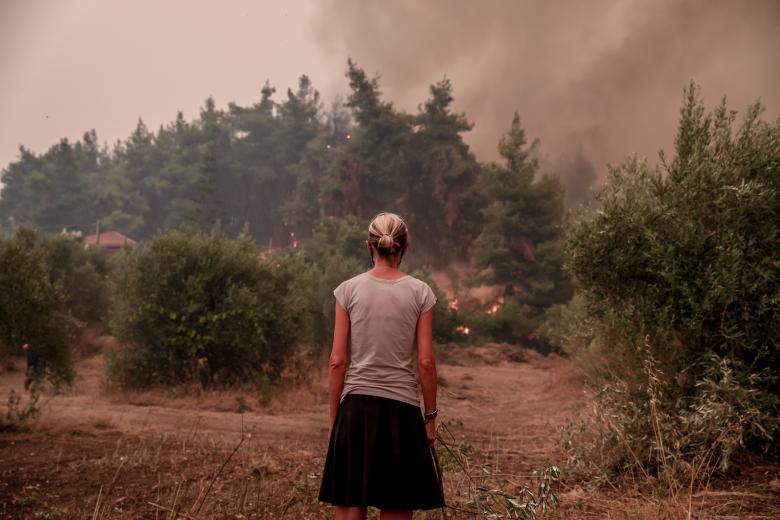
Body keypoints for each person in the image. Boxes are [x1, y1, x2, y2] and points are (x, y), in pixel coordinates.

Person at [318, 212, 445, 519]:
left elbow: (337, 362)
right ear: (405, 247)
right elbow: (426, 362)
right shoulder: (420, 292)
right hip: (401, 417)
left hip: (356, 413)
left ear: (369, 246)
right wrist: (429, 417)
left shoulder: (347, 290)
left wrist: (336, 419)